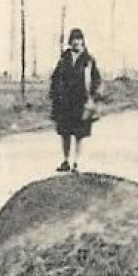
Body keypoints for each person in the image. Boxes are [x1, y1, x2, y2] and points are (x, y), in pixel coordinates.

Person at [49, 27, 101, 172]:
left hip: (81, 101)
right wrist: (55, 95)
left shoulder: (88, 60)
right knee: (65, 133)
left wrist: (93, 96)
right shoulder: (63, 59)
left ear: (83, 42)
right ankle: (65, 160)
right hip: (65, 102)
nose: (76, 43)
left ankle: (77, 162)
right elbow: (56, 78)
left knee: (79, 133)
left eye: (79, 40)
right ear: (70, 42)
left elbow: (96, 79)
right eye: (73, 40)